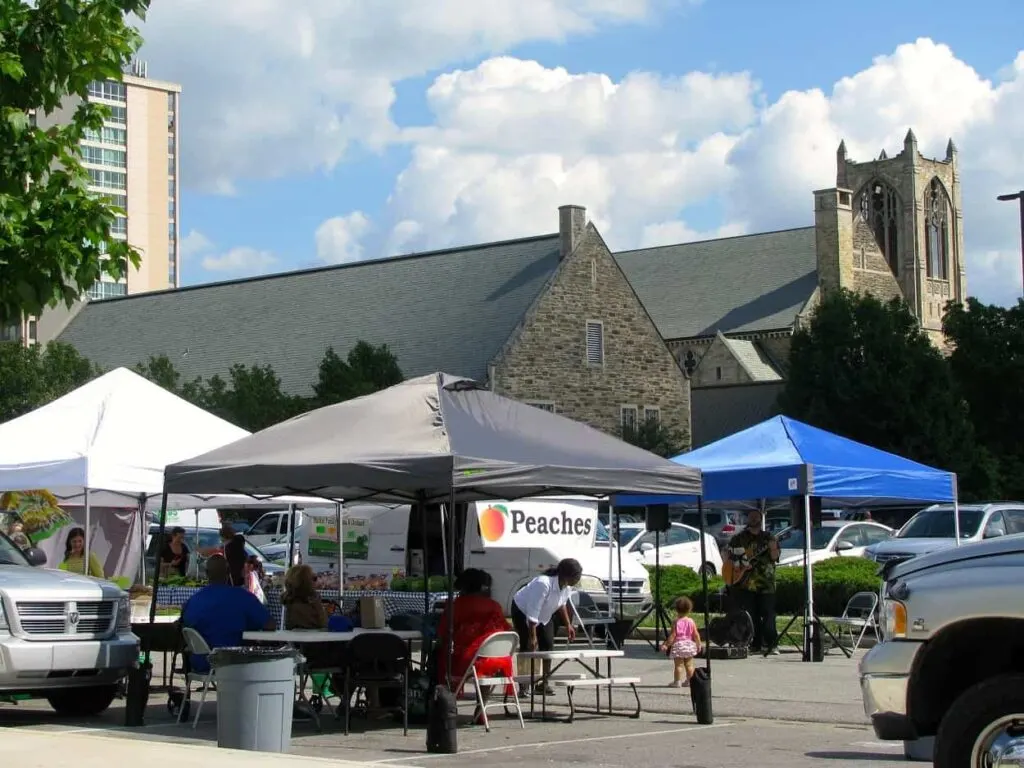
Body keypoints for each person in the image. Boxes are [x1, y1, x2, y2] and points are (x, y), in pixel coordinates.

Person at [437, 568, 514, 724]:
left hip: (468, 660)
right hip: (498, 661)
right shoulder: (495, 606)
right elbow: (506, 630)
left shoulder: (456, 605)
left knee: (441, 658)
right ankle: (481, 710)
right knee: (484, 664)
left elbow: (443, 633)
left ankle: (448, 707)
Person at [181, 555, 275, 675]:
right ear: (228, 572)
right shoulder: (243, 597)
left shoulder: (193, 601)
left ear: (206, 573)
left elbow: (184, 627)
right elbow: (270, 624)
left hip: (201, 663)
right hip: (235, 663)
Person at [511, 558, 581, 695]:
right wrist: (533, 636)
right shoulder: (543, 584)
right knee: (528, 646)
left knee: (548, 645)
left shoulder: (567, 587)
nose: (578, 579)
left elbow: (561, 604)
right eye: (576, 576)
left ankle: (544, 682)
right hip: (522, 610)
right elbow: (532, 613)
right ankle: (524, 685)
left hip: (544, 615)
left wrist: (568, 625)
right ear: (565, 575)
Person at [722, 509, 780, 655]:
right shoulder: (739, 538)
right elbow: (727, 555)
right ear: (747, 520)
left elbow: (775, 557)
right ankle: (755, 644)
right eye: (751, 517)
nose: (753, 519)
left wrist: (773, 549)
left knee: (768, 615)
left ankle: (771, 644)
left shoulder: (768, 537)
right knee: (751, 615)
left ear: (761, 520)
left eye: (756, 517)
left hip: (766, 584)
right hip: (746, 583)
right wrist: (737, 567)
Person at [661, 596, 702, 687]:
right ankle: (690, 681)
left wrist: (666, 645)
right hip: (689, 645)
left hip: (679, 645)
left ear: (676, 609)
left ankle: (677, 682)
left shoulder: (676, 621)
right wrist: (698, 644)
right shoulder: (691, 621)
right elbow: (695, 634)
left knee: (678, 665)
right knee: (689, 665)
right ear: (689, 609)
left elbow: (673, 635)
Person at [282, 564, 328, 630]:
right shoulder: (302, 605)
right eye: (314, 578)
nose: (317, 581)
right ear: (305, 582)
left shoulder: (291, 601)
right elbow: (322, 624)